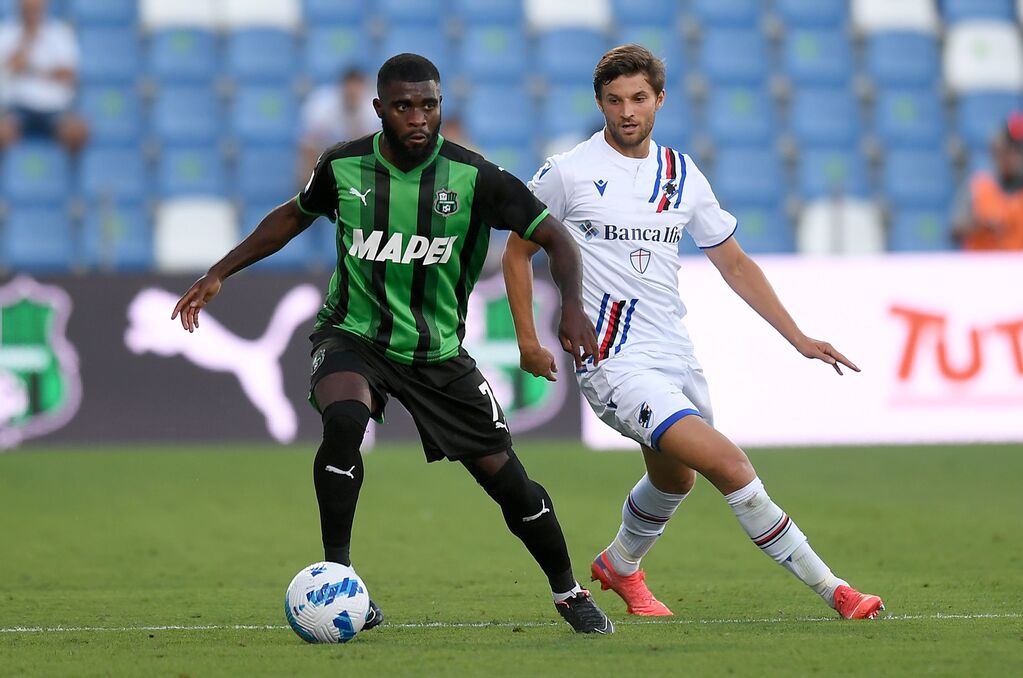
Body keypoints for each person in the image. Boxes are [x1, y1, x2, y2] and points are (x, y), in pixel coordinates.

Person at [172, 53, 614, 635]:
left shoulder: (474, 177)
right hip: (354, 334)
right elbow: (293, 216)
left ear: (440, 107)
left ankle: (568, 591)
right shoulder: (344, 166)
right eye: (404, 106)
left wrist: (574, 308)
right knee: (346, 420)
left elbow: (555, 238)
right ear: (380, 109)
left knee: (509, 481)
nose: (417, 117)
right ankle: (340, 580)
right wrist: (221, 271)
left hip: (437, 354)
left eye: (428, 105)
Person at [503, 45, 884, 620]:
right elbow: (516, 252)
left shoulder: (681, 174)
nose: (626, 111)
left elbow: (734, 263)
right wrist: (528, 340)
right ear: (600, 104)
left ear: (659, 100)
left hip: (674, 353)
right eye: (614, 100)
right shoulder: (567, 172)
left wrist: (799, 338)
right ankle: (836, 590)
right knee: (728, 466)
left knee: (674, 478)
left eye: (638, 98)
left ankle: (619, 566)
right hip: (611, 360)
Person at [0, 0, 89, 152]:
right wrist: (28, 38)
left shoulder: (60, 32)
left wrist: (30, 69)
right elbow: (7, 70)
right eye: (28, 7)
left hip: (55, 108)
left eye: (36, 6)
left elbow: (68, 75)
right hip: (17, 107)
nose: (32, 11)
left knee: (78, 132)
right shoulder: (6, 32)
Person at [297, 68, 379, 187]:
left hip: (357, 161)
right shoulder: (322, 104)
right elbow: (308, 142)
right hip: (325, 156)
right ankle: (308, 193)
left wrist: (355, 116)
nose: (352, 93)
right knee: (308, 149)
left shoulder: (373, 108)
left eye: (356, 89)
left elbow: (370, 147)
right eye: (349, 88)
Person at [953, 112, 1023, 251]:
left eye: (1016, 151)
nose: (1010, 158)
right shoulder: (978, 186)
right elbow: (955, 230)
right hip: (981, 269)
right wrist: (981, 224)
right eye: (1005, 151)